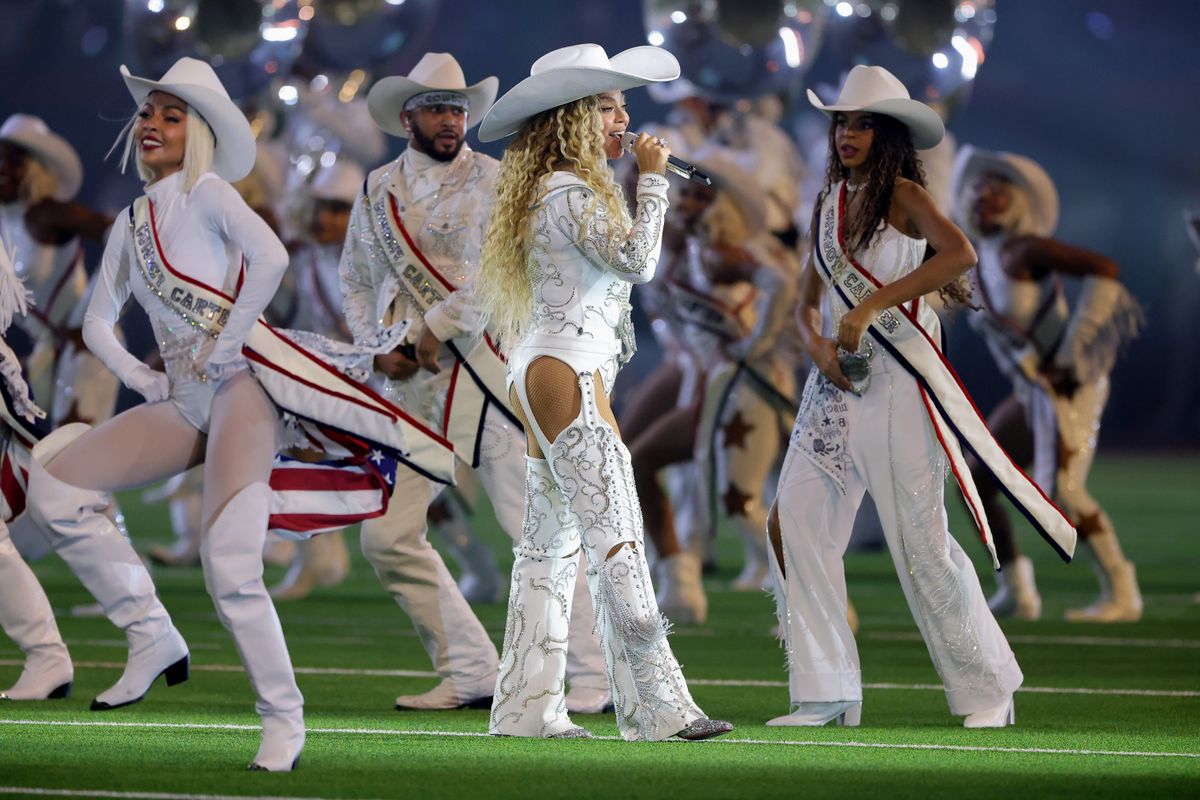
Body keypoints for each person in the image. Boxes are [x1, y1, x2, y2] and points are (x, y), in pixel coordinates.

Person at [24, 57, 455, 770]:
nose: (153, 125)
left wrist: (225, 342)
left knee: (228, 565)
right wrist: (139, 375)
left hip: (243, 388)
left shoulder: (213, 193)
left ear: (198, 132)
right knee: (54, 488)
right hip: (185, 399)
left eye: (172, 115)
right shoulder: (133, 219)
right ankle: (151, 634)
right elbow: (100, 320)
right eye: (148, 114)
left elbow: (272, 258)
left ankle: (283, 719)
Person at [766, 66, 1076, 729]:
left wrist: (870, 306)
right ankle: (827, 691)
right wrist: (816, 345)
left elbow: (958, 253)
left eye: (862, 123)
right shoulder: (826, 203)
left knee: (920, 539)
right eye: (841, 122)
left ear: (888, 134)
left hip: (901, 376)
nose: (847, 134)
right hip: (837, 382)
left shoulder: (902, 194)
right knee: (793, 519)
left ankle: (988, 689)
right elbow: (805, 302)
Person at [473, 43, 733, 741]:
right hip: (566, 371)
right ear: (571, 121)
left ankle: (526, 710)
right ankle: (657, 709)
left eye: (623, 107)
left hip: (545, 365)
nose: (624, 120)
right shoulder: (571, 191)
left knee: (547, 551)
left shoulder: (554, 187)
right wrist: (653, 182)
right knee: (617, 538)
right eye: (607, 108)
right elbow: (638, 261)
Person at [341, 52, 608, 713]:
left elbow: (499, 274)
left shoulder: (497, 180)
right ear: (408, 116)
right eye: (436, 107)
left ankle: (598, 676)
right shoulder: (377, 188)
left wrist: (430, 327)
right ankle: (470, 669)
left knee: (534, 527)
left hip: (490, 375)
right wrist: (378, 349)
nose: (450, 119)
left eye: (458, 107)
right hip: (415, 387)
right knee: (386, 536)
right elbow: (355, 279)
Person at [952, 146, 1143, 622]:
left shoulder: (1024, 248)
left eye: (998, 190)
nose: (985, 197)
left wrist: (1077, 352)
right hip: (1030, 392)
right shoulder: (977, 257)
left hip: (1066, 389)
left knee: (1066, 493)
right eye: (979, 188)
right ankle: (1018, 591)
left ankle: (1123, 592)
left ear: (1018, 201)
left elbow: (1106, 269)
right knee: (976, 477)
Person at [625, 149, 797, 623]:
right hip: (719, 384)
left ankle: (814, 598)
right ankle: (681, 586)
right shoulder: (692, 248)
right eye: (684, 194)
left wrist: (757, 343)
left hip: (741, 388)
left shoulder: (719, 253)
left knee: (740, 503)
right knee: (655, 467)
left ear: (721, 208)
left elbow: (782, 285)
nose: (686, 204)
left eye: (701, 198)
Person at [267, 159, 360, 601]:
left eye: (338, 210)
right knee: (302, 458)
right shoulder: (300, 259)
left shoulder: (373, 262)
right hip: (326, 385)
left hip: (379, 387)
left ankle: (477, 564)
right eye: (321, 208)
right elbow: (288, 317)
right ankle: (313, 560)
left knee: (432, 497)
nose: (325, 218)